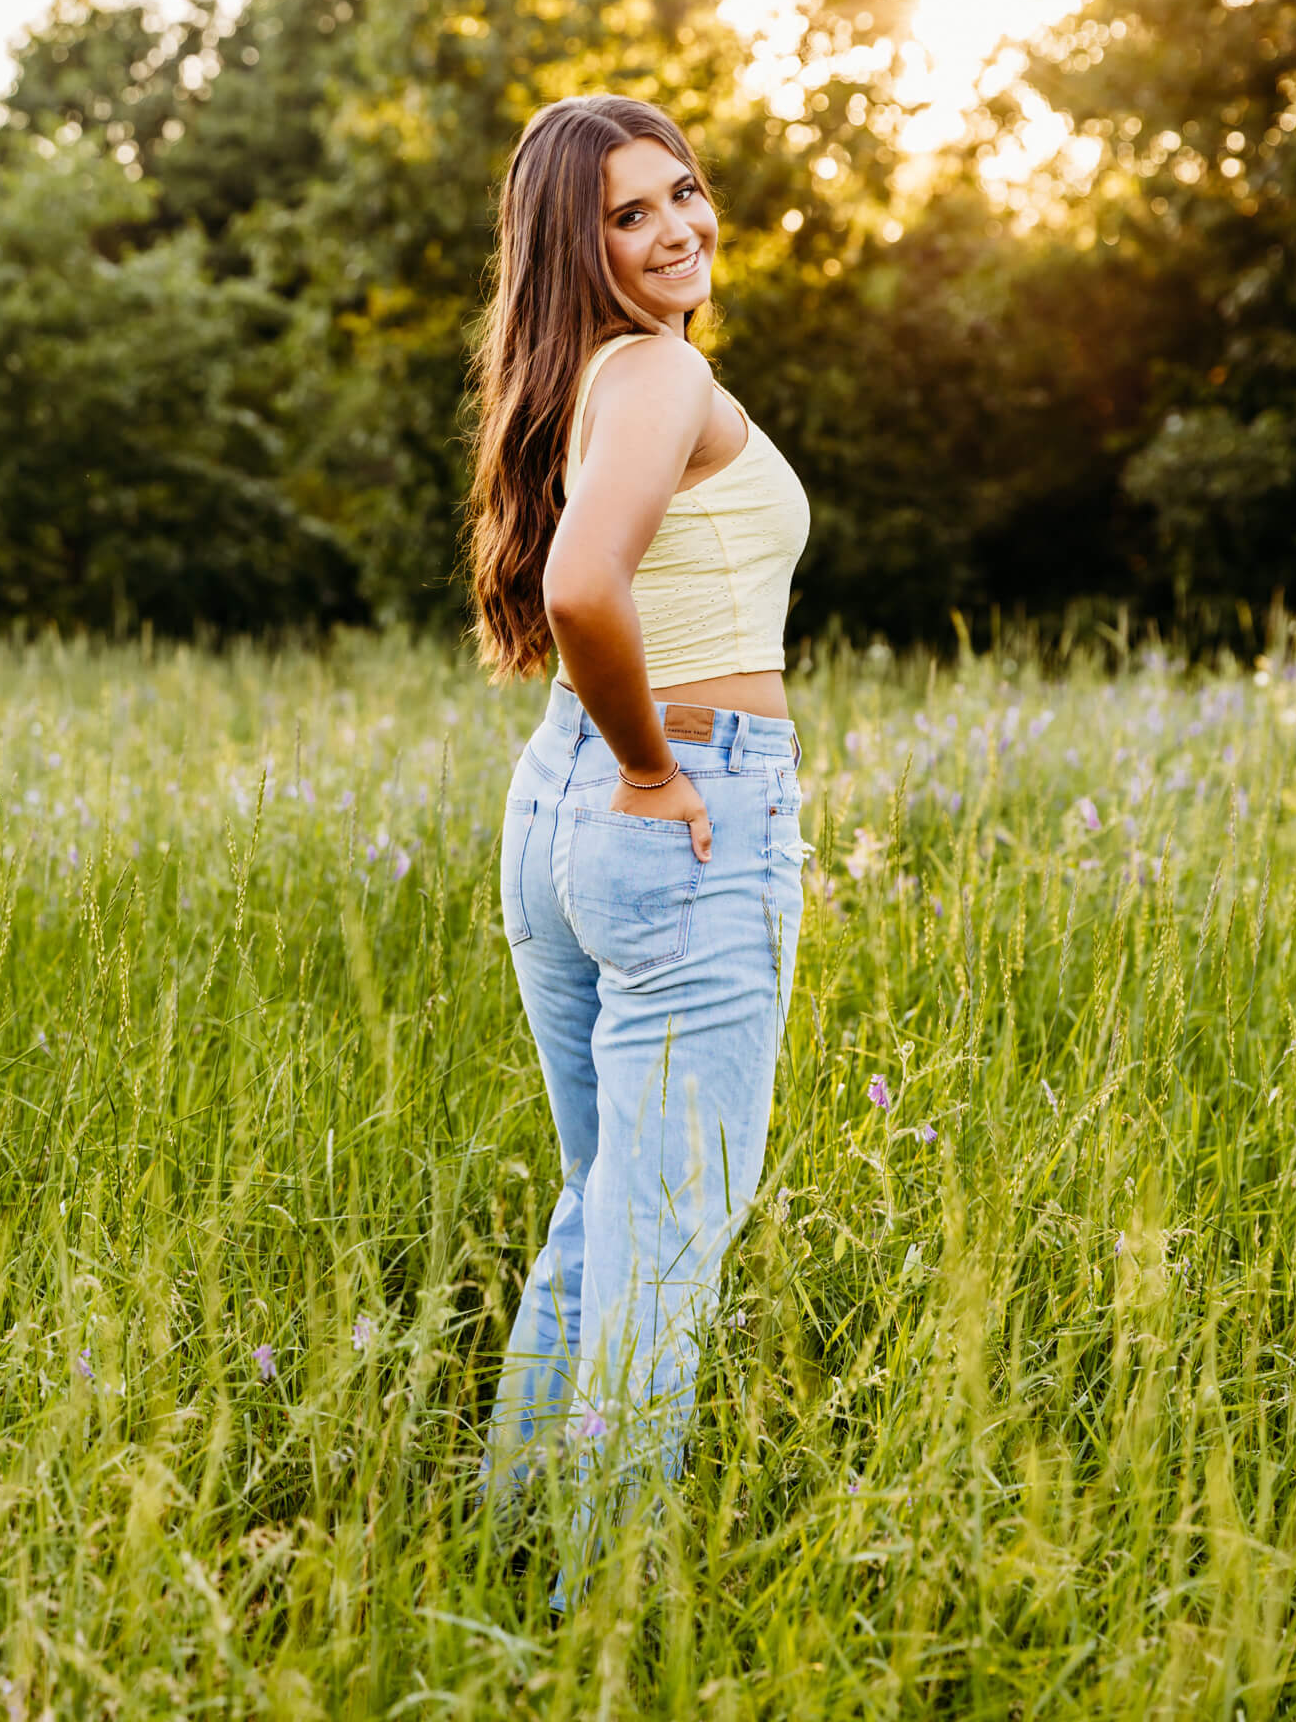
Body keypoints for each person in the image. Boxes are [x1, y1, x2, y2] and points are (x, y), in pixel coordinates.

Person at [463, 92, 811, 1613]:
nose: (676, 230)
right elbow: (585, 584)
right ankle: (599, 1625)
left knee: (604, 1201)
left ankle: (507, 1567)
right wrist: (663, 771)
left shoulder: (580, 377)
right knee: (664, 1251)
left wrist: (618, 766)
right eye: (629, 215)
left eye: (682, 194)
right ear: (576, 244)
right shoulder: (660, 370)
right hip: (671, 813)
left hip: (554, 810)